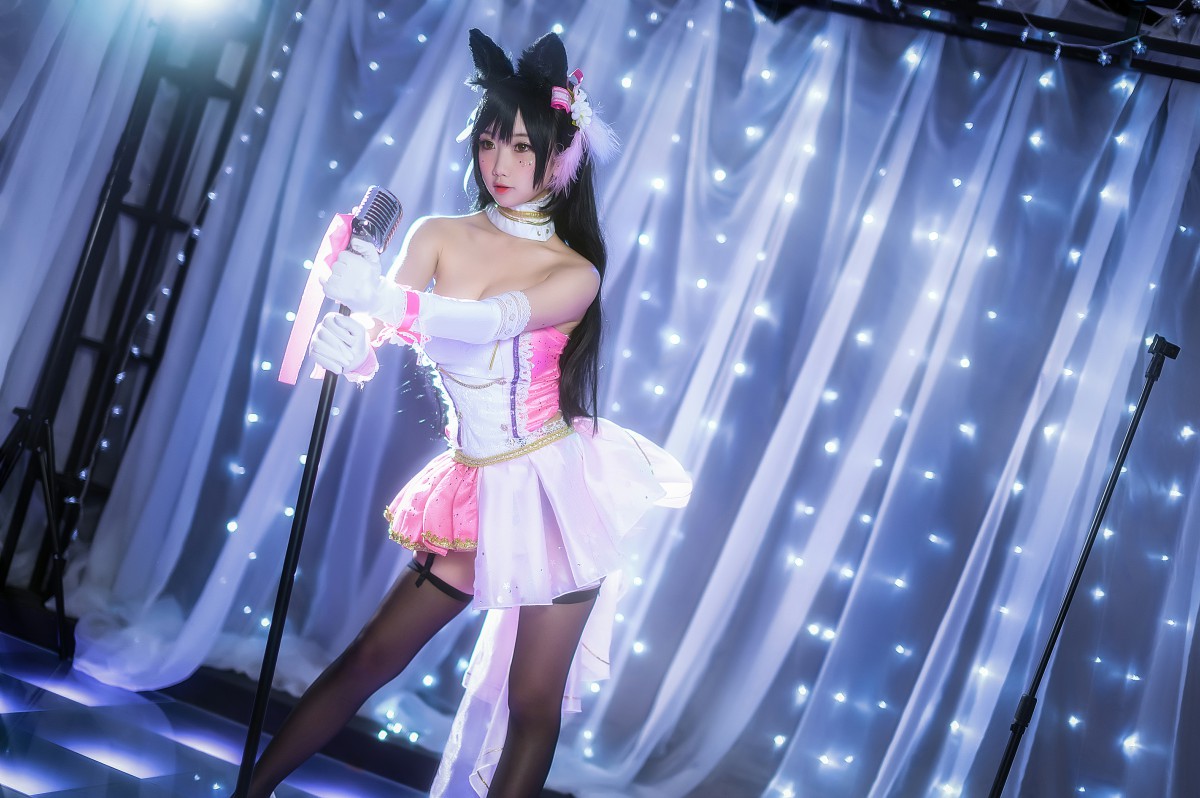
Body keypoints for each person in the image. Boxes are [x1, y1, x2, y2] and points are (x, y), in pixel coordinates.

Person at [242, 28, 690, 798]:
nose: (500, 165)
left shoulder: (575, 272)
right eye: (488, 144)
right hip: (475, 484)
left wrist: (382, 301)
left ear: (561, 155)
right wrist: (345, 340)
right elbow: (372, 337)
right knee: (370, 657)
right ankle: (250, 793)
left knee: (532, 704)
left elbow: (486, 323)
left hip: (555, 498)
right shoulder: (437, 235)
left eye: (521, 147)